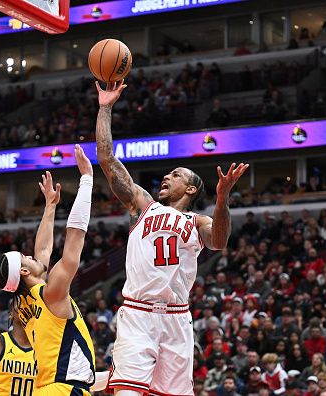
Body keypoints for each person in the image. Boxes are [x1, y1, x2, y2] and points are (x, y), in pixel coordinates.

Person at [95, 80, 248, 396]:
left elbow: (219, 241)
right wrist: (105, 108)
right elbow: (108, 161)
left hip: (177, 318)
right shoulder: (144, 205)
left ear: (191, 189)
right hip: (138, 313)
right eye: (167, 174)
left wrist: (222, 199)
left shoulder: (198, 221)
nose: (167, 176)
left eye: (176, 175)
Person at [0, 145, 108, 396]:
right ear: (23, 272)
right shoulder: (52, 293)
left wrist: (50, 207)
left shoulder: (23, 301)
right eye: (25, 257)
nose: (31, 255)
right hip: (65, 389)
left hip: (47, 387)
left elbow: (43, 250)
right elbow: (75, 238)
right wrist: (87, 179)